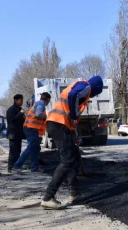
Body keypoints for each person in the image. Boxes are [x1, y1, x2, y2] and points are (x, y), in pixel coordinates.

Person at [40, 76, 104, 209]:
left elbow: (72, 109)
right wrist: (74, 118)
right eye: (96, 93)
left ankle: (74, 194)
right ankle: (48, 197)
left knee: (73, 157)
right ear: (96, 88)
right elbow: (73, 96)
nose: (93, 95)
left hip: (61, 125)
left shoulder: (80, 87)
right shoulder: (86, 86)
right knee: (67, 160)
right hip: (58, 123)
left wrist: (75, 134)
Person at [12, 92, 51, 174]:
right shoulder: (41, 103)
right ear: (47, 99)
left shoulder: (38, 103)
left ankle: (34, 167)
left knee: (36, 148)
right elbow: (38, 114)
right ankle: (17, 166)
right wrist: (46, 117)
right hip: (31, 128)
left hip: (31, 128)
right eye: (49, 100)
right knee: (31, 148)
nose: (49, 102)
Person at [6, 94, 25, 173]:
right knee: (13, 152)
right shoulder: (11, 110)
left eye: (22, 100)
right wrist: (20, 113)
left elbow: (21, 121)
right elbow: (12, 121)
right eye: (20, 100)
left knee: (18, 151)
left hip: (19, 133)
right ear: (15, 100)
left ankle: (16, 166)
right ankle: (10, 167)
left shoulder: (19, 109)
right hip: (13, 134)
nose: (21, 102)